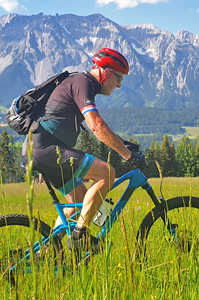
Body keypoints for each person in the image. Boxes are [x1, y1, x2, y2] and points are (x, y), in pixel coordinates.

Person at [22, 47, 146, 253]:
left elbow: (98, 125)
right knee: (107, 173)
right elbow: (96, 125)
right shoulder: (83, 83)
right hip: (45, 149)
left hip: (39, 149)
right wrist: (128, 155)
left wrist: (124, 144)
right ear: (106, 72)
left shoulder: (83, 84)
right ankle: (80, 238)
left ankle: (49, 252)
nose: (120, 85)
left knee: (80, 202)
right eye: (119, 78)